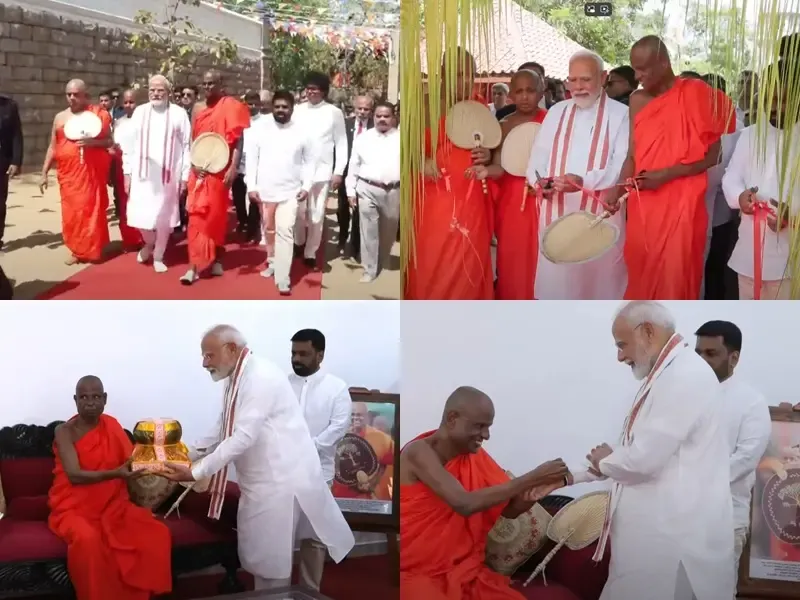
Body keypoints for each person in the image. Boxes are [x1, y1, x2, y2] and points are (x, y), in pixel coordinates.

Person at [161, 325, 355, 590]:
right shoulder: (238, 376)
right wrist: (186, 454)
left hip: (278, 483)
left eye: (209, 355)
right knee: (261, 557)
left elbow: (243, 437)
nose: (204, 363)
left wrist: (196, 471)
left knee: (271, 563)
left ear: (231, 349)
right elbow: (223, 426)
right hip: (260, 483)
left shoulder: (260, 377)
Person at [585, 301, 734, 600]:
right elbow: (638, 449)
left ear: (648, 332)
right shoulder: (666, 373)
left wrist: (606, 461)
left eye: (622, 344)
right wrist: (581, 472)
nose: (620, 356)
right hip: (654, 539)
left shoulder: (684, 376)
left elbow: (643, 460)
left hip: (670, 542)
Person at [400, 386, 571, 599]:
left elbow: (508, 511)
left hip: (463, 570)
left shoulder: (475, 457)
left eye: (488, 427)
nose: (486, 435)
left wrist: (528, 499)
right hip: (416, 572)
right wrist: (532, 477)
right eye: (479, 426)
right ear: (452, 418)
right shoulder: (418, 452)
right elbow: (463, 503)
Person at [608, 36, 735, 300]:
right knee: (641, 273)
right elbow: (632, 155)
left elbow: (715, 156)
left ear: (664, 63)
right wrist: (617, 189)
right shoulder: (637, 100)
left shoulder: (697, 94)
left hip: (682, 205)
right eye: (634, 69)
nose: (637, 76)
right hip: (643, 205)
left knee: (675, 278)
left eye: (643, 69)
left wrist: (666, 175)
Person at [49, 375, 172, 600]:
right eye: (84, 397)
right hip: (73, 508)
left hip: (114, 505)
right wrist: (116, 473)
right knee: (88, 540)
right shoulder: (64, 431)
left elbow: (131, 461)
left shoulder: (112, 426)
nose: (90, 402)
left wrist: (162, 459)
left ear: (105, 399)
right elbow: (74, 476)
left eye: (96, 397)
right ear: (75, 400)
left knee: (156, 533)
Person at [527, 51, 630, 299]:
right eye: (572, 80)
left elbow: (621, 165)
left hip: (599, 214)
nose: (578, 87)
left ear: (603, 77)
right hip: (556, 212)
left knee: (599, 285)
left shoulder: (622, 114)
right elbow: (538, 156)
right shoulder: (556, 112)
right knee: (557, 285)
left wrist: (584, 182)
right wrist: (539, 181)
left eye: (585, 79)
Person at [405, 48, 494, 300]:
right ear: (442, 75)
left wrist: (488, 154)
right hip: (434, 198)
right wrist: (420, 161)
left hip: (471, 199)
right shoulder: (425, 105)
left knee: (470, 257)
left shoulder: (479, 106)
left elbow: (493, 146)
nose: (465, 81)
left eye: (470, 74)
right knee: (433, 258)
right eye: (457, 74)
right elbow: (404, 148)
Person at [694, 320, 771, 581]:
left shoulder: (751, 402)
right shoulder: (681, 396)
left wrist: (693, 481)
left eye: (711, 353)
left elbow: (746, 458)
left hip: (724, 520)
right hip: (678, 519)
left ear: (734, 358)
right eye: (698, 353)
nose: (702, 361)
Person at [721, 61, 798, 300]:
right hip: (749, 250)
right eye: (768, 99)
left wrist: (793, 214)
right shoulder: (750, 134)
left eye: (781, 100)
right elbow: (731, 177)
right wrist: (740, 197)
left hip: (791, 256)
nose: (773, 107)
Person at [472, 69, 547, 299]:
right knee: (512, 257)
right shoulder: (503, 125)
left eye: (530, 91)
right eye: (519, 91)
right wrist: (486, 171)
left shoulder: (553, 122)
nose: (524, 97)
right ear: (511, 94)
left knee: (542, 256)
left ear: (541, 91)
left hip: (544, 198)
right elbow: (499, 166)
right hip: (512, 201)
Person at [288, 328, 352, 591]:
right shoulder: (283, 385)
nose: (296, 359)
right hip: (283, 472)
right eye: (293, 353)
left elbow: (339, 426)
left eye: (303, 353)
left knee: (314, 538)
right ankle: (277, 591)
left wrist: (308, 448)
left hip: (318, 474)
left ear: (320, 355)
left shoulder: (336, 388)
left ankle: (309, 592)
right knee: (280, 536)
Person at [182, 70, 250, 285]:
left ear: (221, 84)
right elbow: (193, 140)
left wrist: (233, 167)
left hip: (220, 170)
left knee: (216, 218)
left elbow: (237, 141)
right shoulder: (197, 108)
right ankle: (193, 266)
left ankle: (217, 258)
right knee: (195, 218)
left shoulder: (231, 106)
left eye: (211, 83)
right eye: (204, 83)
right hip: (199, 171)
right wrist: (194, 165)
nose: (207, 87)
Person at [244, 90, 316, 295]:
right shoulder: (260, 129)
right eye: (277, 107)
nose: (281, 110)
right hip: (265, 190)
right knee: (269, 230)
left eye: (285, 107)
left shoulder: (302, 131)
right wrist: (251, 186)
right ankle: (272, 261)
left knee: (285, 231)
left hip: (290, 192)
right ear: (271, 107)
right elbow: (252, 160)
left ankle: (283, 277)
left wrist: (306, 186)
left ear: (292, 109)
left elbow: (310, 161)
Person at [122, 76, 192, 274]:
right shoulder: (140, 112)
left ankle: (159, 255)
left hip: (168, 177)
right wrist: (127, 173)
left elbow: (186, 147)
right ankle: (149, 242)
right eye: (152, 90)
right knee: (139, 215)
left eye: (160, 90)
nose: (156, 93)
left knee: (164, 218)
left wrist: (184, 177)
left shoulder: (178, 114)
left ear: (168, 92)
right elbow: (129, 146)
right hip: (142, 176)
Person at [40, 79, 113, 265]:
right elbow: (53, 146)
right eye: (69, 94)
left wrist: (92, 143)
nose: (72, 97)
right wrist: (44, 172)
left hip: (90, 174)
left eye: (76, 94)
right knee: (72, 212)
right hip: (68, 175)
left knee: (90, 210)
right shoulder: (60, 117)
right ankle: (77, 250)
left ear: (85, 95)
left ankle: (93, 249)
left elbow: (109, 142)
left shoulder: (97, 115)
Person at [293, 72, 348, 270]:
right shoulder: (297, 110)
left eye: (315, 89)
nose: (311, 92)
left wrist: (338, 171)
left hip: (322, 171)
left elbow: (341, 143)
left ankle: (310, 251)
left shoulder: (334, 112)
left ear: (323, 91)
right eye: (308, 88)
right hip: (298, 171)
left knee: (316, 214)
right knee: (298, 212)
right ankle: (298, 242)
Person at [345, 101, 400, 283]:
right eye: (378, 116)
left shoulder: (403, 139)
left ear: (393, 118)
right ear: (373, 117)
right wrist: (350, 191)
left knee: (388, 233)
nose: (382, 119)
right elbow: (354, 165)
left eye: (386, 116)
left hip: (394, 191)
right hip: (367, 189)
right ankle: (369, 269)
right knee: (368, 232)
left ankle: (381, 262)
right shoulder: (363, 138)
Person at [331, 401, 394, 501]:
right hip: (337, 500)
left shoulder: (383, 439)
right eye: (352, 414)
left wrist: (372, 483)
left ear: (367, 416)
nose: (355, 418)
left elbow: (389, 467)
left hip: (367, 502)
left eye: (359, 415)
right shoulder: (331, 436)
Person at [339, 94, 374, 259]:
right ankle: (342, 236)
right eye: (360, 108)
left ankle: (355, 247)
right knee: (342, 208)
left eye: (366, 109)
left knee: (359, 211)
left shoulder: (375, 126)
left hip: (365, 174)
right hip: (345, 171)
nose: (362, 112)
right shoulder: (345, 125)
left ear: (371, 110)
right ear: (354, 108)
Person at [110, 89, 142, 252]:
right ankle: (129, 240)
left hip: (140, 168)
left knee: (140, 204)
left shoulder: (145, 122)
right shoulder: (118, 122)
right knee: (124, 206)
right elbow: (114, 144)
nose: (129, 105)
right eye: (126, 102)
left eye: (132, 102)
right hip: (121, 168)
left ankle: (143, 238)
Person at [233, 91, 263, 242]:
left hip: (256, 163)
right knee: (238, 197)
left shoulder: (264, 122)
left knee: (253, 199)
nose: (251, 107)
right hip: (239, 162)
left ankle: (252, 230)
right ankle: (242, 221)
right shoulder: (239, 120)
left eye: (254, 104)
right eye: (248, 104)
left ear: (260, 105)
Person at [0, 93, 22, 251]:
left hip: (2, 161)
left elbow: (16, 135)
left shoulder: (9, 106)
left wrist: (16, 161)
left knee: (0, 202)